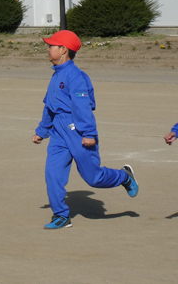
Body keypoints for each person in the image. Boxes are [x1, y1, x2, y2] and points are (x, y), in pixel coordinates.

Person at [32, 30, 139, 229]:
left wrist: (88, 133)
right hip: (58, 133)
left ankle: (124, 176)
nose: (47, 49)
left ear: (63, 50)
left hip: (78, 131)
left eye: (51, 46)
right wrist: (42, 130)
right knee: (53, 174)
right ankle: (61, 216)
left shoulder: (76, 76)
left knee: (94, 178)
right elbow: (49, 106)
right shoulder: (56, 75)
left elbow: (82, 107)